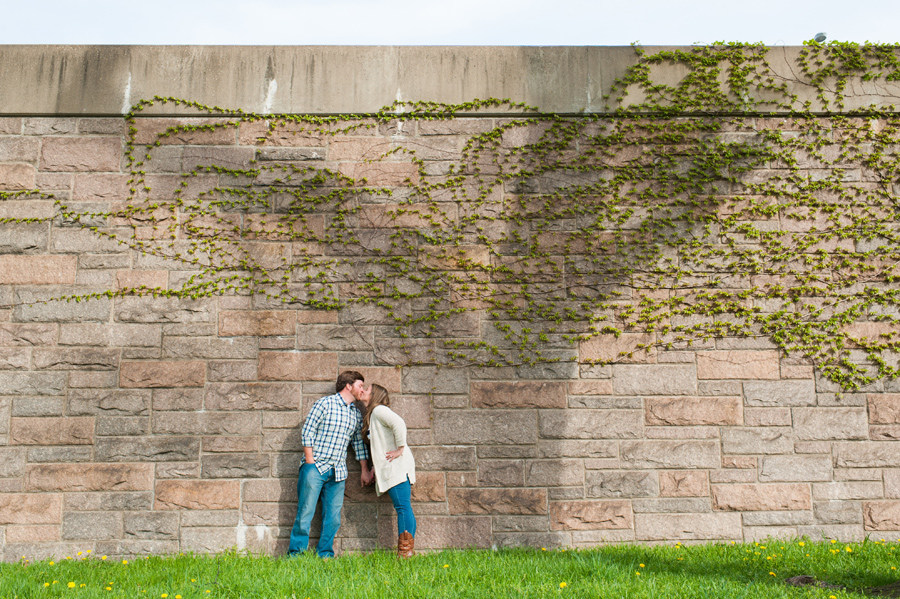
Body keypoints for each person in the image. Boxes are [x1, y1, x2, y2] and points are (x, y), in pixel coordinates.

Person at [288, 371, 374, 558]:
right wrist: (310, 462)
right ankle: (295, 555)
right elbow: (307, 431)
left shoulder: (355, 414)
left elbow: (358, 445)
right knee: (305, 513)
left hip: (338, 473)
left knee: (333, 519)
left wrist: (364, 470)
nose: (363, 390)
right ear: (348, 386)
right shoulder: (325, 404)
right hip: (315, 468)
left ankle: (325, 554)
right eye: (360, 385)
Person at [359, 383, 417, 558]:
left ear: (375, 395)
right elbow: (380, 445)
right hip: (392, 468)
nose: (363, 391)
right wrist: (375, 468)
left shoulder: (379, 410)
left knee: (402, 507)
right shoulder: (374, 414)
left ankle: (405, 552)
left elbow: (398, 423)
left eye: (367, 389)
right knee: (404, 507)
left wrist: (400, 448)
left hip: (397, 467)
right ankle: (408, 551)